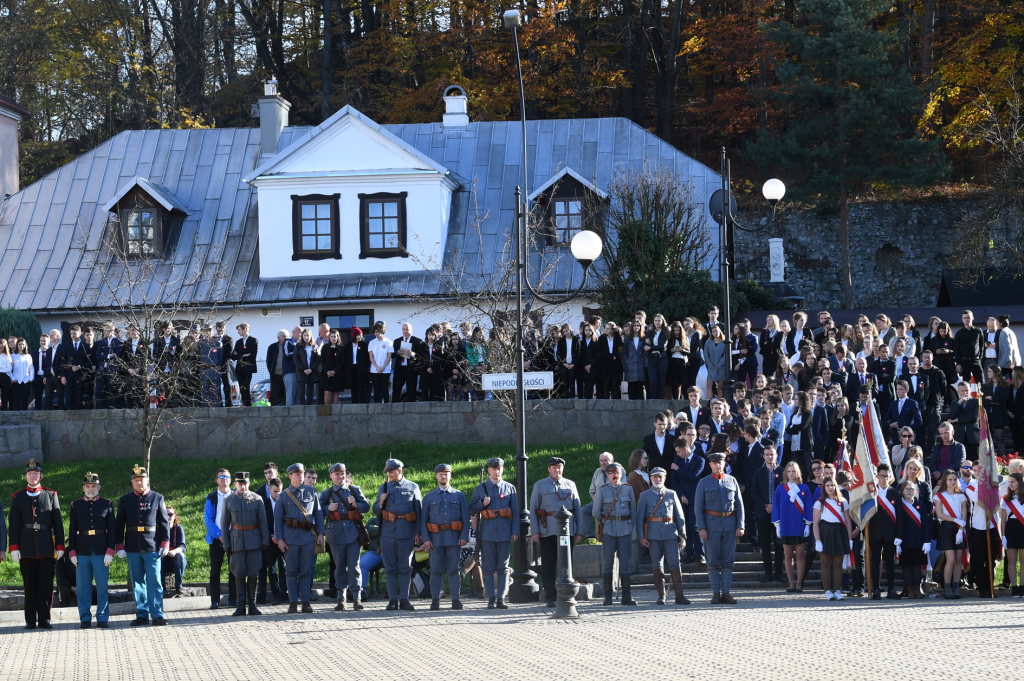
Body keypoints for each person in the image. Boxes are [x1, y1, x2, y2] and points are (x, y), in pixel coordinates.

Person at [7, 459, 64, 629]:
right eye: (30, 474)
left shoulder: (51, 495)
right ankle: (30, 620)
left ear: (41, 476)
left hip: (46, 547)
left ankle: (45, 618)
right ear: (26, 476)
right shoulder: (17, 497)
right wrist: (14, 547)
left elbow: (58, 523)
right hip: (26, 547)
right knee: (29, 585)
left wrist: (60, 545)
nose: (33, 476)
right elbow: (14, 524)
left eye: (36, 473)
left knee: (46, 585)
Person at [115, 465, 171, 626]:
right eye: (136, 480)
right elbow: (119, 524)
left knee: (154, 581)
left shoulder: (157, 497)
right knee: (137, 581)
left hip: (152, 545)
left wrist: (165, 542)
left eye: (142, 480)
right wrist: (119, 544)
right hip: (132, 546)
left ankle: (157, 614)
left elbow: (163, 522)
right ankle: (141, 613)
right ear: (132, 482)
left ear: (147, 481)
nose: (139, 483)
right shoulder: (125, 500)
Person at [530, 457, 584, 607]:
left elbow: (578, 509)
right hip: (548, 531)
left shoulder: (570, 484)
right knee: (548, 563)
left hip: (567, 531)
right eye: (554, 468)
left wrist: (579, 530)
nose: (557, 470)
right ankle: (551, 596)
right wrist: (535, 531)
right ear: (549, 469)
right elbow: (533, 509)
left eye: (559, 467)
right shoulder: (540, 485)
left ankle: (565, 593)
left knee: (565, 562)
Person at [274, 462, 325, 613]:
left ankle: (306, 602)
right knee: (290, 572)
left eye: (301, 474)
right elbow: (277, 520)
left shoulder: (312, 492)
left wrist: (321, 534)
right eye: (297, 474)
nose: (300, 476)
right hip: (290, 539)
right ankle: (293, 603)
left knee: (305, 571)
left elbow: (319, 514)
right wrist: (280, 540)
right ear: (290, 476)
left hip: (307, 538)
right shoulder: (283, 496)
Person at [469, 457, 519, 609]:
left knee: (503, 567)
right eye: (493, 469)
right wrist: (482, 504)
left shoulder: (510, 488)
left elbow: (516, 512)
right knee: (488, 567)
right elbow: (471, 509)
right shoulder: (480, 489)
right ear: (489, 470)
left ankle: (501, 599)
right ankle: (490, 598)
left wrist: (515, 531)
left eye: (499, 468)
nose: (497, 471)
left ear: (502, 469)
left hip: (504, 532)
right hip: (487, 533)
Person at [67, 472, 115, 628]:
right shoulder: (76, 505)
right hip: (82, 550)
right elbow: (72, 530)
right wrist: (72, 551)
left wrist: (110, 550)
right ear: (83, 488)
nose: (91, 489)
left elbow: (112, 530)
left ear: (99, 487)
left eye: (93, 486)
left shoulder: (107, 504)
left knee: (102, 586)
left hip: (101, 550)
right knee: (83, 587)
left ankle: (102, 618)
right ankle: (85, 618)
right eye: (87, 486)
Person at [695, 451, 744, 604]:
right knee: (713, 560)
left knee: (728, 560)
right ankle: (716, 593)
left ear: (724, 464)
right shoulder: (704, 482)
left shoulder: (732, 481)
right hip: (711, 526)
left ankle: (726, 593)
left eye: (720, 462)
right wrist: (701, 528)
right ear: (710, 465)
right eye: (714, 463)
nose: (717, 465)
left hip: (730, 525)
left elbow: (740, 505)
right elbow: (698, 508)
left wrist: (740, 525)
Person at [373, 458, 422, 610]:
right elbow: (376, 511)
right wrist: (380, 502)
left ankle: (405, 600)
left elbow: (419, 513)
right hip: (388, 533)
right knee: (390, 568)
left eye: (391, 471)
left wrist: (418, 533)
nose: (388, 474)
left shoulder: (413, 486)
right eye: (387, 472)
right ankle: (392, 599)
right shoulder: (384, 487)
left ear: (399, 471)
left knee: (405, 567)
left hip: (406, 532)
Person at [320, 463, 370, 610]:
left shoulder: (354, 490)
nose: (340, 476)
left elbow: (366, 507)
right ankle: (341, 598)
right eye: (337, 474)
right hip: (335, 536)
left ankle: (357, 598)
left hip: (353, 534)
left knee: (354, 567)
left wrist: (356, 504)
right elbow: (316, 512)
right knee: (339, 567)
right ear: (331, 476)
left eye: (342, 474)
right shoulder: (326, 494)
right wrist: (327, 509)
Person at [636, 467, 689, 605]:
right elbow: (639, 518)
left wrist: (682, 537)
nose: (657, 479)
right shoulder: (645, 495)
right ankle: (661, 596)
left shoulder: (672, 494)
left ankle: (679, 595)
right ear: (651, 479)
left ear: (664, 478)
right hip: (653, 536)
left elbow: (680, 516)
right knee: (657, 565)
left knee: (675, 564)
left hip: (671, 534)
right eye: (655, 477)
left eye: (660, 477)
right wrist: (641, 537)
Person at [420, 463, 470, 610]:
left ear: (450, 475)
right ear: (436, 476)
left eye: (446, 473)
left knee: (454, 570)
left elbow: (465, 519)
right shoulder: (429, 497)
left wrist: (464, 536)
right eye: (441, 474)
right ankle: (435, 600)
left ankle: (456, 600)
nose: (443, 476)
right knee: (435, 570)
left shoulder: (459, 495)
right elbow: (424, 521)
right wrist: (426, 539)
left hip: (454, 538)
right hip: (435, 539)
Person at [221, 472, 270, 616]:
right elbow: (225, 524)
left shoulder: (257, 499)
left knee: (253, 572)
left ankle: (252, 605)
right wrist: (227, 544)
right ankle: (240, 605)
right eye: (240, 483)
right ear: (235, 484)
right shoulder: (229, 500)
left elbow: (263, 522)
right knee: (239, 572)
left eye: (245, 483)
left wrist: (265, 540)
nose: (243, 486)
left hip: (254, 541)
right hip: (237, 542)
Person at [592, 462, 637, 606]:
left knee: (625, 564)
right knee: (607, 564)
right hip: (609, 530)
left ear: (621, 474)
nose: (615, 476)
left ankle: (626, 597)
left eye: (617, 473)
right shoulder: (602, 490)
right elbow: (596, 512)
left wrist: (630, 526)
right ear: (607, 475)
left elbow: (633, 511)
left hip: (624, 530)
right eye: (612, 473)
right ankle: (608, 597)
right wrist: (605, 522)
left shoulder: (628, 489)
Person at [772, 460, 813, 593]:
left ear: (798, 472)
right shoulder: (780, 488)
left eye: (793, 471)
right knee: (788, 555)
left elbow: (808, 507)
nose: (791, 473)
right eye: (789, 471)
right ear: (785, 473)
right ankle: (791, 584)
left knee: (800, 555)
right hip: (785, 526)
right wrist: (777, 525)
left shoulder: (804, 488)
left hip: (800, 526)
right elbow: (776, 507)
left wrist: (807, 524)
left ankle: (800, 583)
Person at [964, 461, 1001, 598]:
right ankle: (981, 588)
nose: (977, 472)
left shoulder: (994, 487)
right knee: (979, 559)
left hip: (992, 526)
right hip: (978, 527)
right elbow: (978, 499)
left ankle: (990, 585)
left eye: (980, 470)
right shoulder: (971, 487)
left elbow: (997, 502)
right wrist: (984, 484)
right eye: (974, 470)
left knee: (990, 559)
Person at [812, 476, 853, 601]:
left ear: (836, 486)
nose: (830, 488)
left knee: (838, 563)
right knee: (825, 563)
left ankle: (838, 591)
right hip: (825, 533)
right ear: (824, 488)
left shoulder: (843, 501)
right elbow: (815, 523)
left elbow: (847, 521)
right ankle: (827, 591)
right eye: (827, 485)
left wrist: (850, 539)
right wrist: (818, 540)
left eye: (832, 485)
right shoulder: (820, 502)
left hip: (839, 532)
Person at [204, 468, 237, 609]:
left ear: (230, 480)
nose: (224, 479)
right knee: (215, 570)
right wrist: (220, 535)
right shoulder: (211, 498)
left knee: (234, 570)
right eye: (221, 477)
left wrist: (231, 534)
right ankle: (215, 601)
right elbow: (208, 520)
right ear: (217, 480)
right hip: (216, 539)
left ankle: (233, 600)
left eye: (227, 477)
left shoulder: (237, 496)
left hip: (234, 537)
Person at [752, 444, 785, 583]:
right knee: (765, 545)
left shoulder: (783, 472)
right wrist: (766, 505)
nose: (770, 456)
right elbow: (754, 492)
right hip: (763, 513)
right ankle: (768, 573)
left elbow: (786, 492)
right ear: (763, 456)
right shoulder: (758, 473)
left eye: (772, 454)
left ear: (776, 455)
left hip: (779, 514)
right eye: (767, 454)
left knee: (779, 545)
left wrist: (774, 506)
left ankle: (779, 573)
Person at [934, 468, 968, 599]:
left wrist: (960, 530)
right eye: (950, 479)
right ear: (945, 481)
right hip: (947, 528)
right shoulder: (939, 495)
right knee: (951, 559)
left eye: (954, 479)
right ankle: (947, 587)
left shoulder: (961, 496)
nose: (952, 482)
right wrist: (955, 520)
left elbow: (964, 515)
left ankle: (955, 587)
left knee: (958, 560)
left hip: (960, 528)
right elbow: (939, 514)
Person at [867, 464, 900, 599]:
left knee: (890, 563)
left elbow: (900, 516)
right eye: (881, 476)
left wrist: (899, 535)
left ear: (890, 477)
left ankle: (891, 589)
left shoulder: (895, 493)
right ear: (877, 476)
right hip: (874, 533)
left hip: (890, 534)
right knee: (875, 561)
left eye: (886, 476)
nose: (884, 479)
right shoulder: (871, 493)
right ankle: (875, 589)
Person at [894, 480, 931, 599]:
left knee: (917, 566)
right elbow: (897, 523)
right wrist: (897, 541)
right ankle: (910, 590)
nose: (909, 491)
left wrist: (927, 541)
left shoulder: (920, 505)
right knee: (907, 566)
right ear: (902, 491)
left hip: (918, 541)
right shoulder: (899, 505)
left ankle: (917, 589)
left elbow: (926, 524)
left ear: (916, 491)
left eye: (911, 489)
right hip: (904, 541)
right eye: (907, 489)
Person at [258, 477, 287, 605]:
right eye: (275, 491)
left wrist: (280, 537)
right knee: (272, 568)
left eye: (280, 491)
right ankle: (276, 595)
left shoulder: (286, 503)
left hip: (284, 540)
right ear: (269, 489)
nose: (278, 494)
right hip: (270, 542)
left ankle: (284, 593)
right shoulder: (263, 504)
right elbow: (262, 524)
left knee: (284, 567)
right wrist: (272, 536)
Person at [999, 472, 1024, 597]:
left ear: (1019, 482)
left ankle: (1022, 587)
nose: (1010, 484)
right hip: (1011, 529)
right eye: (1009, 482)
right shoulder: (1005, 499)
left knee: (1023, 560)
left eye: (1013, 482)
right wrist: (1003, 535)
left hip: (1023, 528)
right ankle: (1014, 587)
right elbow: (1003, 519)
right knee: (1012, 561)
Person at [783, 390, 814, 481]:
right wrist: (794, 428)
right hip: (795, 445)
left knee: (808, 468)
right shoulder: (794, 414)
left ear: (803, 400)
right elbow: (788, 429)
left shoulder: (808, 413)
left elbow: (803, 426)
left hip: (805, 444)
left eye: (797, 399)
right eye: (795, 399)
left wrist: (793, 428)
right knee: (798, 468)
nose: (795, 401)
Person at [884, 380, 924, 447]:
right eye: (897, 389)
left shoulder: (912, 403)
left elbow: (919, 421)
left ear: (907, 390)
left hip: (909, 438)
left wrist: (907, 430)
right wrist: (890, 425)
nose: (898, 391)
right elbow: (885, 420)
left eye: (900, 389)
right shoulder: (893, 404)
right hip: (896, 437)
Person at [392, 322, 423, 402]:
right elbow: (392, 355)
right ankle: (396, 410)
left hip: (411, 370)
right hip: (399, 369)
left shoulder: (417, 341)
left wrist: (413, 354)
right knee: (396, 390)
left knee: (411, 392)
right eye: (403, 329)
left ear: (411, 330)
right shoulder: (396, 341)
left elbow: (422, 357)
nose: (405, 331)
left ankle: (410, 412)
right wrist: (397, 352)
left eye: (407, 329)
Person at [954, 310, 985, 384]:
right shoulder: (959, 333)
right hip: (964, 362)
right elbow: (956, 349)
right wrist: (958, 363)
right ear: (962, 319)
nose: (966, 319)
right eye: (964, 318)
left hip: (976, 361)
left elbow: (982, 346)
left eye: (968, 317)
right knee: (965, 384)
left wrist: (980, 358)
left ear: (972, 318)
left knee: (981, 383)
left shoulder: (978, 331)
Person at [161, 506, 186, 597]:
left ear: (174, 516)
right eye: (166, 514)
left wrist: (174, 551)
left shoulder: (178, 528)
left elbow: (182, 546)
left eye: (170, 514)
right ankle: (162, 586)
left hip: (174, 561)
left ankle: (178, 586)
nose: (168, 516)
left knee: (181, 556)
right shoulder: (159, 529)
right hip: (162, 560)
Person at [232, 323, 258, 406]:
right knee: (241, 387)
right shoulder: (238, 342)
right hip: (240, 368)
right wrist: (243, 355)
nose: (238, 332)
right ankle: (243, 404)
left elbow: (253, 355)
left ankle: (248, 404)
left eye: (239, 330)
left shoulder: (253, 340)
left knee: (246, 386)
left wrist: (239, 356)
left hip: (248, 368)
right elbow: (233, 356)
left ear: (245, 329)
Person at [595, 321, 623, 399]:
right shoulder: (602, 338)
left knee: (615, 385)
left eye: (608, 329)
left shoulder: (616, 337)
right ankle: (606, 403)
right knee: (606, 384)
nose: (606, 330)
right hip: (605, 364)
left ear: (612, 330)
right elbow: (600, 351)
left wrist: (617, 332)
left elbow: (620, 343)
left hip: (615, 365)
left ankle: (615, 404)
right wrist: (610, 356)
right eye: (605, 328)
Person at [621, 319, 647, 400]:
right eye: (634, 325)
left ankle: (641, 407)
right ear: (632, 327)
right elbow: (624, 352)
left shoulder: (643, 338)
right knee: (631, 386)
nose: (636, 327)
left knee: (640, 386)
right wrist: (626, 362)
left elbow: (645, 352)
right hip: (630, 365)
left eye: (638, 325)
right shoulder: (627, 339)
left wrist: (645, 363)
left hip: (640, 365)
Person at [368, 321, 393, 404]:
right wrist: (377, 368)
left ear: (382, 331)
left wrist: (382, 367)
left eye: (378, 331)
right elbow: (371, 357)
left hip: (385, 370)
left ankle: (386, 406)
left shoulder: (388, 342)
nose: (376, 333)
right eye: (375, 331)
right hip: (374, 370)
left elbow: (389, 356)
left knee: (385, 389)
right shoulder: (371, 343)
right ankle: (376, 407)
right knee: (376, 389)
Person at [294, 328, 321, 405]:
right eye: (304, 335)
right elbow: (296, 359)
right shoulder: (298, 346)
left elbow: (317, 359)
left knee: (310, 392)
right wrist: (303, 369)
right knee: (301, 392)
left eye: (308, 335)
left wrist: (311, 369)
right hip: (301, 372)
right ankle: (302, 409)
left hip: (311, 372)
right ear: (302, 336)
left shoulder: (314, 346)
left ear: (311, 336)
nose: (306, 337)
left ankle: (309, 408)